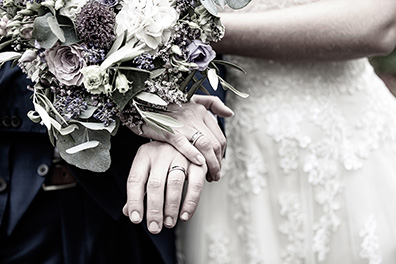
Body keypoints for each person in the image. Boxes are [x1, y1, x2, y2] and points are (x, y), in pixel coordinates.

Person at [177, 0, 396, 263]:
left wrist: (191, 30)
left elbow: (377, 25)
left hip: (348, 144)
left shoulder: (184, 27)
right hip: (232, 146)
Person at [0, 58, 231, 263]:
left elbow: (196, 42)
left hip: (124, 199)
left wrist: (182, 119)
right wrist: (136, 111)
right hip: (19, 202)